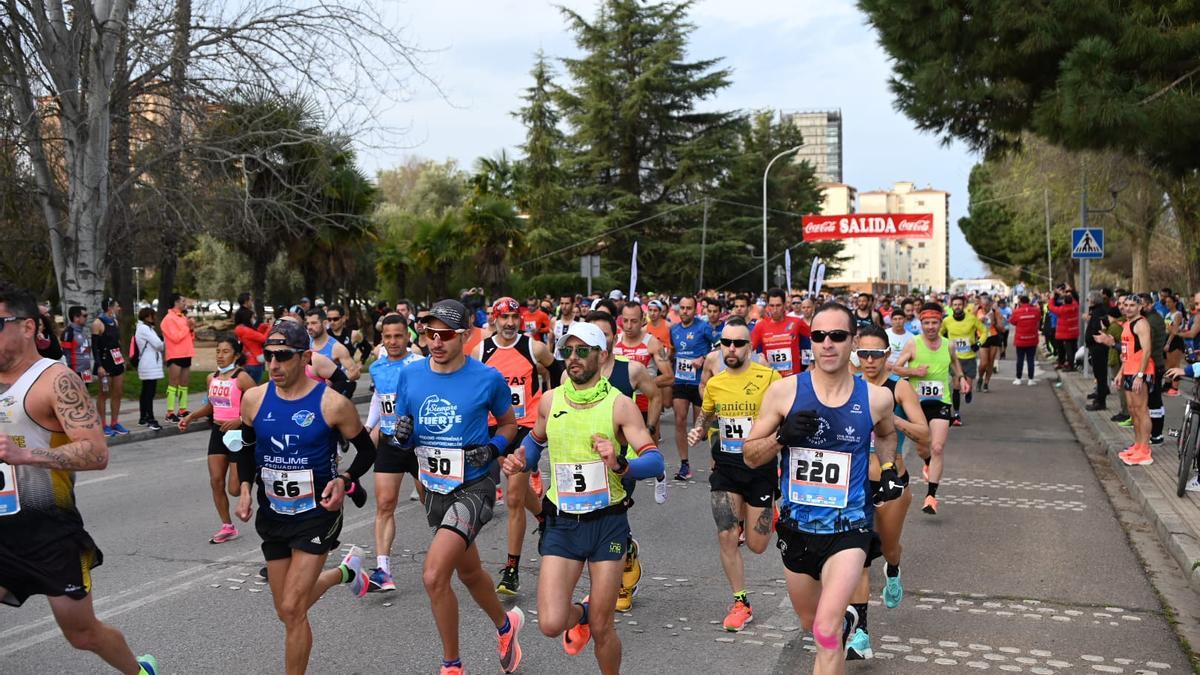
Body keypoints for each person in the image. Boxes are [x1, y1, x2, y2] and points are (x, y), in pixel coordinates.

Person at [0, 283, 159, 675]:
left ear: (27, 327)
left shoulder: (55, 380)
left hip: (47, 533)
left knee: (82, 634)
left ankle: (140, 672)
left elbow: (96, 452)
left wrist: (26, 455)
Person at [741, 302, 902, 674]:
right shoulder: (783, 393)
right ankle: (845, 623)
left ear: (853, 342)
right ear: (810, 341)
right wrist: (781, 437)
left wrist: (890, 466)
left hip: (849, 530)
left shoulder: (876, 398)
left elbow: (888, 433)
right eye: (819, 336)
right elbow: (750, 455)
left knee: (826, 634)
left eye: (838, 336)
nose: (827, 344)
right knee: (811, 625)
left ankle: (839, 626)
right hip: (798, 531)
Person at [501, 321, 665, 675]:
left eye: (582, 351)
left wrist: (620, 463)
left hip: (607, 523)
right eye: (567, 352)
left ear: (601, 356)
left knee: (605, 629)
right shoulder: (551, 400)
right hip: (562, 523)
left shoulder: (619, 405)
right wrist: (520, 459)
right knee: (550, 623)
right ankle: (585, 614)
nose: (573, 358)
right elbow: (535, 442)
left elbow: (654, 460)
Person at [232, 319, 377, 675]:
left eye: (283, 356)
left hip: (318, 513)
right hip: (274, 513)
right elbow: (246, 447)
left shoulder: (332, 404)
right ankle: (344, 573)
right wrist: (247, 487)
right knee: (285, 609)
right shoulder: (254, 399)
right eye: (269, 356)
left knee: (294, 609)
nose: (274, 364)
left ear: (305, 357)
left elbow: (367, 452)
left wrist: (345, 480)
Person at [389, 299, 526, 675]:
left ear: (465, 335)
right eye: (429, 333)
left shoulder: (487, 378)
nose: (436, 341)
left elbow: (510, 424)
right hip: (433, 488)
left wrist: (494, 448)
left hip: (475, 486)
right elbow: (404, 432)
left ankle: (452, 665)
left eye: (445, 334)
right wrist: (401, 436)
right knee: (468, 573)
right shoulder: (411, 375)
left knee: (434, 575)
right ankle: (506, 625)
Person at [685, 318, 780, 632]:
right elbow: (709, 412)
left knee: (756, 545)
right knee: (726, 532)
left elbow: (784, 415)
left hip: (760, 469)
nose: (732, 348)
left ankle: (769, 514)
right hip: (725, 466)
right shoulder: (715, 382)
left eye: (739, 343)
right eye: (726, 343)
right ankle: (741, 601)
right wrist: (699, 428)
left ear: (750, 347)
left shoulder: (769, 378)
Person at [844, 325, 929, 660]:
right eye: (862, 354)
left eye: (875, 354)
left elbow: (923, 434)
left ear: (886, 355)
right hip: (853, 485)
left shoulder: (899, 387)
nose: (868, 361)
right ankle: (861, 633)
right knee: (860, 555)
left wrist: (892, 420)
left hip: (891, 483)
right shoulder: (847, 386)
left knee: (890, 548)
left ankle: (894, 569)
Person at [583, 311, 667, 611]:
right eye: (592, 333)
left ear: (613, 337)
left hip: (623, 458)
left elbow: (655, 394)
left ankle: (618, 585)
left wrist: (651, 430)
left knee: (613, 510)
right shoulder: (575, 372)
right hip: (588, 458)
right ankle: (626, 550)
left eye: (604, 333)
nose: (597, 339)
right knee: (597, 513)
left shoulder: (630, 369)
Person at [473, 297, 554, 597]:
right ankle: (544, 514)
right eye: (503, 317)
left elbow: (556, 370)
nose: (509, 323)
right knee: (519, 495)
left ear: (520, 319)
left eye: (513, 317)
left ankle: (511, 570)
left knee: (513, 497)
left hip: (527, 429)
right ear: (494, 319)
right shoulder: (481, 350)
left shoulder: (534, 347)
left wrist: (551, 406)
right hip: (496, 429)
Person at [364, 314, 426, 592]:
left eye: (398, 336)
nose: (392, 341)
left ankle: (450, 553)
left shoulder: (419, 365)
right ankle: (383, 570)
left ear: (407, 336)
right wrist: (369, 426)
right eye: (387, 337)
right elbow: (380, 399)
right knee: (385, 504)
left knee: (431, 501)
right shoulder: (377, 367)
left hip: (419, 443)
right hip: (389, 441)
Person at [893, 302, 971, 515]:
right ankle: (926, 462)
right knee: (923, 448)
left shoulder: (948, 344)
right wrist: (915, 371)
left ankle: (931, 496)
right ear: (921, 323)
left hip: (941, 402)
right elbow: (895, 367)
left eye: (934, 322)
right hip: (916, 405)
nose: (930, 327)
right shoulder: (913, 343)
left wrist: (961, 378)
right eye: (926, 322)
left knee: (937, 447)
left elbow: (955, 363)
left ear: (940, 322)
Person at [179, 336, 258, 544]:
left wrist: (240, 420)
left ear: (236, 355)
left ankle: (249, 481)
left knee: (233, 488)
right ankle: (227, 526)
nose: (220, 356)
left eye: (225, 351)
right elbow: (212, 405)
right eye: (218, 351)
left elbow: (258, 405)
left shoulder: (242, 378)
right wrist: (190, 416)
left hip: (238, 434)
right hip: (218, 432)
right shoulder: (210, 378)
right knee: (215, 481)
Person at [670, 296, 714, 480]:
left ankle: (704, 434)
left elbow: (718, 346)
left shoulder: (703, 327)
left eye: (689, 308)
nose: (685, 311)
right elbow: (673, 350)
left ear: (695, 310)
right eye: (682, 308)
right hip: (681, 381)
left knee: (700, 429)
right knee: (679, 420)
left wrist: (703, 359)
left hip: (699, 382)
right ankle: (684, 465)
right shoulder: (674, 330)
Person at [939, 295, 985, 426]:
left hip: (969, 357)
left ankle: (969, 390)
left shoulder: (972, 319)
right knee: (956, 386)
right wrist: (943, 345)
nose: (957, 307)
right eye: (955, 305)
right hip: (955, 358)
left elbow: (985, 331)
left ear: (964, 305)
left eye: (960, 304)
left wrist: (978, 344)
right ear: (951, 306)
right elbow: (940, 334)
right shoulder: (947, 321)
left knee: (967, 386)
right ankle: (957, 414)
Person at [751, 287, 809, 378]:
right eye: (771, 306)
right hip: (771, 379)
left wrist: (810, 365)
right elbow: (747, 349)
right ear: (767, 306)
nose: (774, 309)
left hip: (793, 379)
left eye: (778, 305)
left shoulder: (796, 322)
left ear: (785, 305)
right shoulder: (760, 326)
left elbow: (813, 341)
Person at [92, 298, 129, 437]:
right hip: (104, 362)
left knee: (118, 392)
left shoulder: (115, 321)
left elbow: (117, 343)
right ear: (110, 307)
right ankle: (103, 424)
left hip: (116, 360)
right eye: (117, 306)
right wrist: (99, 366)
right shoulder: (98, 323)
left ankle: (115, 422)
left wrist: (122, 359)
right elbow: (94, 347)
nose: (119, 308)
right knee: (103, 394)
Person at [160, 293, 196, 423]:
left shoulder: (183, 317)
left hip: (186, 353)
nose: (185, 303)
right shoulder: (168, 319)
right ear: (176, 302)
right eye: (183, 301)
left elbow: (190, 337)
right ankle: (169, 412)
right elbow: (175, 337)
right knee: (173, 383)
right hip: (175, 354)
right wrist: (187, 327)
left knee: (184, 384)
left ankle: (182, 409)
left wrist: (191, 329)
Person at [133, 308, 164, 431]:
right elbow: (158, 344)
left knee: (146, 391)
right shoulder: (144, 329)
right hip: (149, 364)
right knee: (149, 392)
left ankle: (143, 417)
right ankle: (150, 418)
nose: (154, 318)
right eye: (153, 316)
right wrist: (164, 340)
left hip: (148, 363)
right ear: (147, 317)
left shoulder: (145, 328)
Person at [1085, 292, 1112, 410]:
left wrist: (1091, 339)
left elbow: (1097, 329)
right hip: (1096, 347)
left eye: (1088, 300)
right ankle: (1100, 394)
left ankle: (1100, 401)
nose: (1087, 302)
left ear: (1093, 301)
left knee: (1100, 374)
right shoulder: (1096, 311)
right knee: (1099, 374)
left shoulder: (1098, 312)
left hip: (1099, 348)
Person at [974, 294, 1006, 391]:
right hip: (982, 338)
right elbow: (970, 324)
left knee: (990, 362)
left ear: (991, 304)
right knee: (984, 363)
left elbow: (1002, 329)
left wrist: (994, 323)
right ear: (980, 304)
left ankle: (986, 383)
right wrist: (978, 322)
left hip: (994, 337)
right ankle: (980, 378)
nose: (985, 307)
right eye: (983, 304)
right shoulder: (976, 311)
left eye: (987, 305)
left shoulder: (995, 312)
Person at [1009, 295, 1041, 385]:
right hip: (1032, 338)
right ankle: (1031, 379)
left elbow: (1012, 321)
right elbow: (1038, 321)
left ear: (1020, 302)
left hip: (1020, 340)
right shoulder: (1036, 311)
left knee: (1020, 360)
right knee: (1031, 360)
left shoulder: (1017, 311)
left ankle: (1018, 379)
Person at [234, 301, 268, 384]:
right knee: (254, 387)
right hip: (255, 363)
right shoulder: (248, 331)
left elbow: (256, 336)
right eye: (253, 317)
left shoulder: (240, 330)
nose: (254, 319)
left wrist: (262, 328)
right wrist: (269, 328)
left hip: (247, 361)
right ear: (248, 318)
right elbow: (264, 338)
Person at [1048, 287, 1081, 372]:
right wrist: (1066, 295)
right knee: (1073, 349)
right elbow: (1074, 300)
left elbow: (1051, 307)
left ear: (1064, 302)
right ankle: (1072, 364)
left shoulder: (1061, 310)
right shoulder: (1075, 306)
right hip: (1074, 332)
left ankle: (1070, 366)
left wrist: (1052, 297)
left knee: (1068, 350)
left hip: (1066, 334)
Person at [62, 306, 95, 386]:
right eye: (84, 316)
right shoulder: (69, 332)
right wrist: (71, 372)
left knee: (86, 394)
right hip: (76, 371)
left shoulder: (83, 331)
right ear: (76, 317)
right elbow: (66, 353)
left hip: (86, 370)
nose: (86, 318)